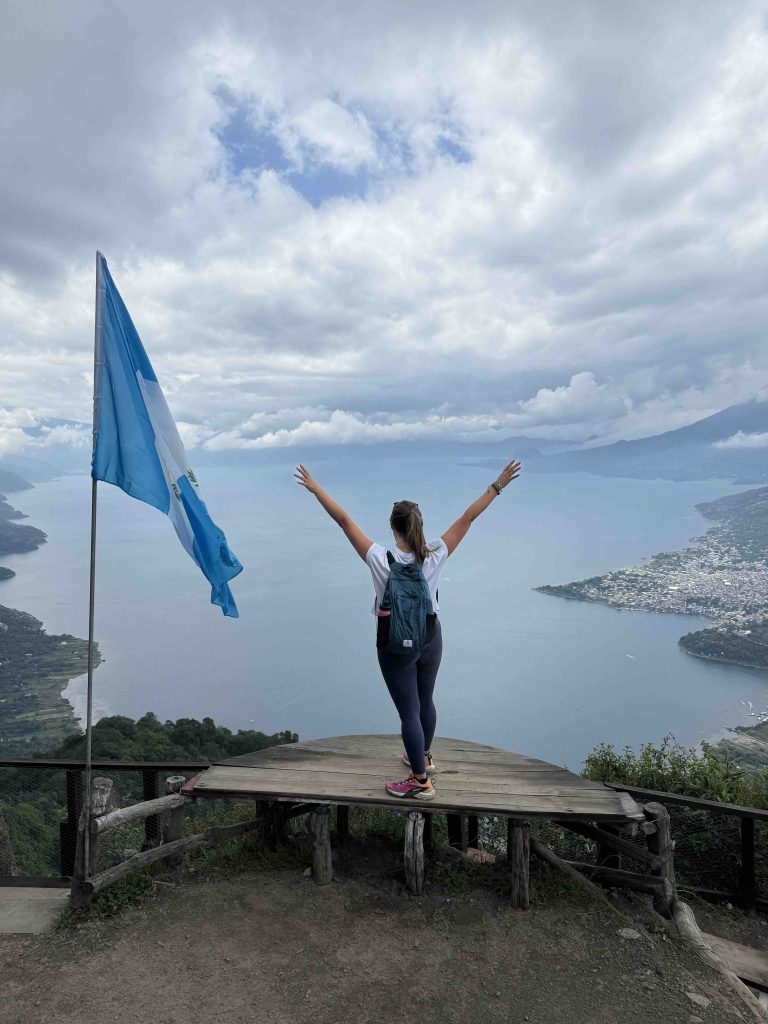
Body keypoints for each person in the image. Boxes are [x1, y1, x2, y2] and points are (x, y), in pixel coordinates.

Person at [294, 459, 522, 800]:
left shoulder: (378, 558)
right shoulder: (435, 555)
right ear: (419, 526)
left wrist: (316, 489)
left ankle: (419, 781)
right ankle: (424, 758)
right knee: (425, 700)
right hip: (430, 638)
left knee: (408, 713)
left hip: (394, 647)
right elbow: (468, 517)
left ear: (392, 527)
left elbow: (343, 520)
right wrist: (498, 484)